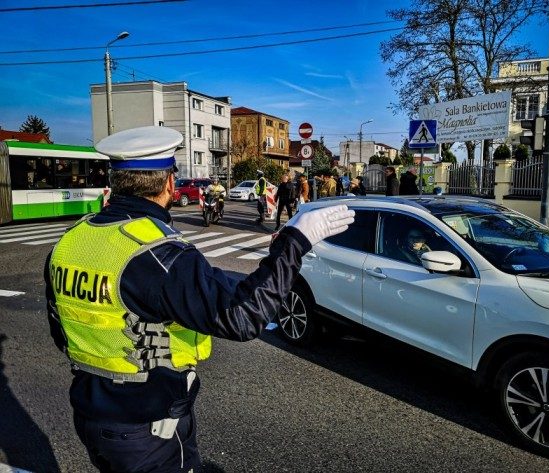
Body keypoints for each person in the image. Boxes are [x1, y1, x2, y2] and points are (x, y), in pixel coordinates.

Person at [44, 126, 355, 473]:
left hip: (91, 414)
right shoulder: (157, 253)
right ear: (169, 185)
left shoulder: (72, 240)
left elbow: (63, 331)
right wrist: (294, 242)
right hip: (149, 429)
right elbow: (244, 315)